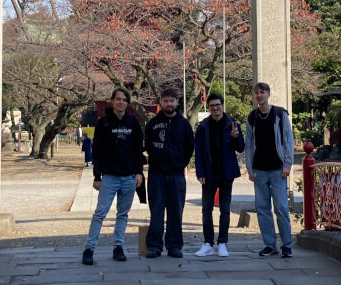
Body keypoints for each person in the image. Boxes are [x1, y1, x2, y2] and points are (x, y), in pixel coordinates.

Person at [83, 87, 144, 266]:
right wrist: (97, 176)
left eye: (124, 100)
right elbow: (97, 151)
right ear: (112, 101)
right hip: (109, 176)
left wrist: (139, 172)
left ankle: (118, 246)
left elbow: (137, 150)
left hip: (129, 176)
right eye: (117, 99)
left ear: (127, 103)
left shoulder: (133, 122)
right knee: (100, 212)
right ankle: (89, 248)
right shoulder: (103, 123)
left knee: (123, 214)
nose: (120, 102)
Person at [245, 82, 295, 258]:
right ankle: (270, 244)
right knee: (263, 208)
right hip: (259, 169)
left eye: (262, 92)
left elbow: (288, 140)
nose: (259, 95)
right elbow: (248, 144)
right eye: (257, 92)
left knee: (281, 207)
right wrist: (249, 168)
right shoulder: (252, 117)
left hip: (277, 168)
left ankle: (287, 244)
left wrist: (288, 163)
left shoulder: (280, 114)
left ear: (268, 94)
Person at [144, 87, 194, 259]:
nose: (169, 104)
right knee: (156, 211)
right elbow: (149, 145)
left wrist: (180, 163)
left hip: (176, 174)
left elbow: (189, 147)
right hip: (157, 173)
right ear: (161, 102)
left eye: (172, 100)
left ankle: (175, 246)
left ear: (177, 102)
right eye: (165, 100)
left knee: (175, 211)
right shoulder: (152, 123)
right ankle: (154, 246)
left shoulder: (184, 124)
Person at [194, 92, 244, 258]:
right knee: (206, 209)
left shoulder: (232, 124)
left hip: (226, 172)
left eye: (218, 105)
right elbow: (199, 152)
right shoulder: (203, 127)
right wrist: (199, 171)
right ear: (209, 107)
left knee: (225, 209)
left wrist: (236, 138)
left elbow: (241, 148)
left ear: (223, 106)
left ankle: (223, 242)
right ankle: (208, 243)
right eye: (212, 105)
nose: (215, 108)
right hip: (208, 173)